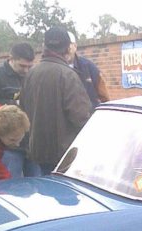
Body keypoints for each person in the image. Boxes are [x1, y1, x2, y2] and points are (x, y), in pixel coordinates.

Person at [20, 26, 91, 175]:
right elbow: (81, 117)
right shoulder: (67, 75)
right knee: (65, 196)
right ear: (67, 49)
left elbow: (23, 110)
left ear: (44, 47)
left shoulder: (31, 74)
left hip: (37, 150)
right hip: (63, 156)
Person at [0, 43, 39, 177]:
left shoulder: (34, 75)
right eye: (22, 66)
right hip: (9, 145)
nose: (26, 71)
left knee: (37, 188)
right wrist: (17, 103)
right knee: (9, 187)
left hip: (32, 143)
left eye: (29, 66)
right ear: (11, 58)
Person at [68, 32, 110, 109]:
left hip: (89, 117)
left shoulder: (88, 67)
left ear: (75, 46)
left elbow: (104, 96)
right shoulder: (56, 70)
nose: (66, 50)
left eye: (69, 46)